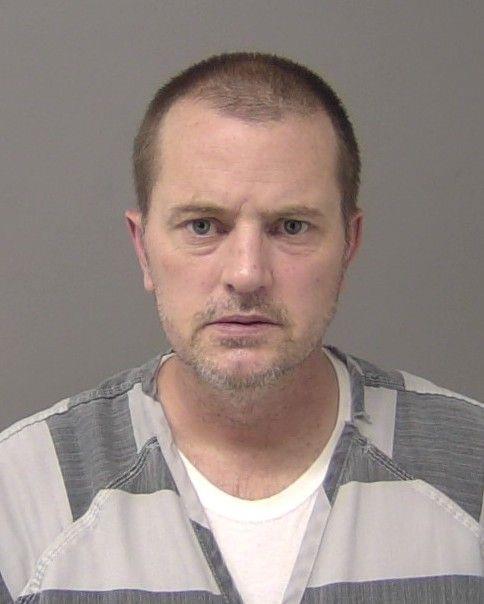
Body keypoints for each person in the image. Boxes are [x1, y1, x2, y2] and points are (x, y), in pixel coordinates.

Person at [0, 52, 482, 604]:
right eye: (203, 226)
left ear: (349, 245)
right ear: (143, 248)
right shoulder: (20, 497)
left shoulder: (472, 476)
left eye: (291, 226)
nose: (247, 274)